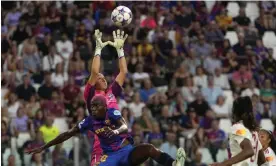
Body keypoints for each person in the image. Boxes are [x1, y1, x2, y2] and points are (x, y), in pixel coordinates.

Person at [26, 95, 186, 166]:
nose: (93, 109)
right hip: (110, 157)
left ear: (104, 107)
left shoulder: (112, 113)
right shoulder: (88, 121)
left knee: (149, 149)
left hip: (126, 150)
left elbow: (124, 126)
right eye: (92, 106)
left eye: (96, 106)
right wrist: (44, 147)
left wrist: (116, 132)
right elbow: (66, 134)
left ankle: (174, 163)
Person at [210, 96, 266, 166]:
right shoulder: (253, 132)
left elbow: (249, 151)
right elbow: (262, 161)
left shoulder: (238, 127)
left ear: (235, 111)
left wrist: (222, 164)